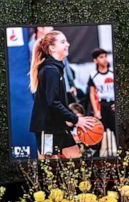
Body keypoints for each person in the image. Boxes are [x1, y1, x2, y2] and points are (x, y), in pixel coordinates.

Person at [29, 30, 99, 159]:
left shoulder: (56, 68)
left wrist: (73, 119)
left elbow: (58, 102)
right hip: (47, 127)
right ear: (52, 48)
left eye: (66, 41)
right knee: (49, 167)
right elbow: (53, 102)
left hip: (58, 125)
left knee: (75, 157)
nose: (68, 44)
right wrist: (77, 119)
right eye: (62, 42)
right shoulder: (50, 70)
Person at [88, 48, 116, 134]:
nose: (105, 59)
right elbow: (92, 94)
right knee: (100, 131)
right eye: (101, 57)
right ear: (95, 60)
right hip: (102, 105)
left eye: (105, 56)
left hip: (113, 104)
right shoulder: (93, 75)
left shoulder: (113, 73)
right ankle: (97, 147)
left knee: (117, 130)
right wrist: (96, 110)